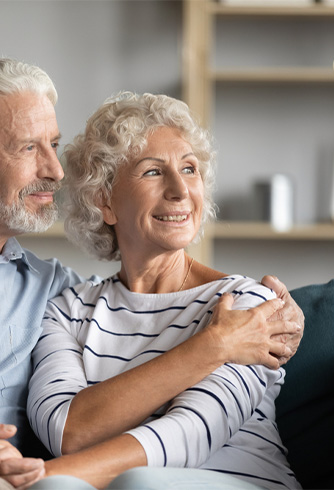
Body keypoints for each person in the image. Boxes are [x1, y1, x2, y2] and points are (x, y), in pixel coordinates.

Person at [0, 57, 302, 490]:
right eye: (29, 148)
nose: (54, 170)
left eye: (53, 145)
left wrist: (281, 314)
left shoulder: (54, 287)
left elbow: (152, 343)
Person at [24, 92, 302, 489]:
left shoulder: (248, 305)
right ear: (104, 201)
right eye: (153, 172)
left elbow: (189, 435)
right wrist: (214, 345)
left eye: (189, 169)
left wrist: (25, 479)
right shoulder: (68, 310)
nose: (179, 189)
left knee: (138, 484)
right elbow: (68, 432)